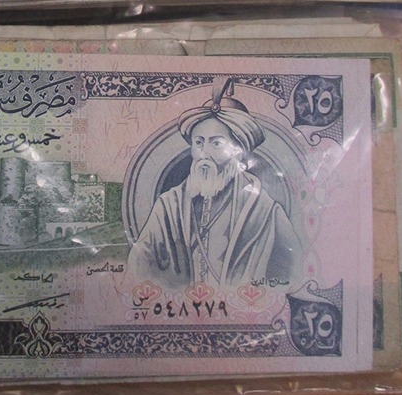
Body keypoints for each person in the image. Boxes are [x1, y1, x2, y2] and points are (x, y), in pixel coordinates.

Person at [127, 79, 299, 288]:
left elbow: (293, 274)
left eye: (216, 143)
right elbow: (138, 269)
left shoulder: (265, 212)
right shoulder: (169, 206)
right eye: (198, 143)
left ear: (238, 150)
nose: (204, 153)